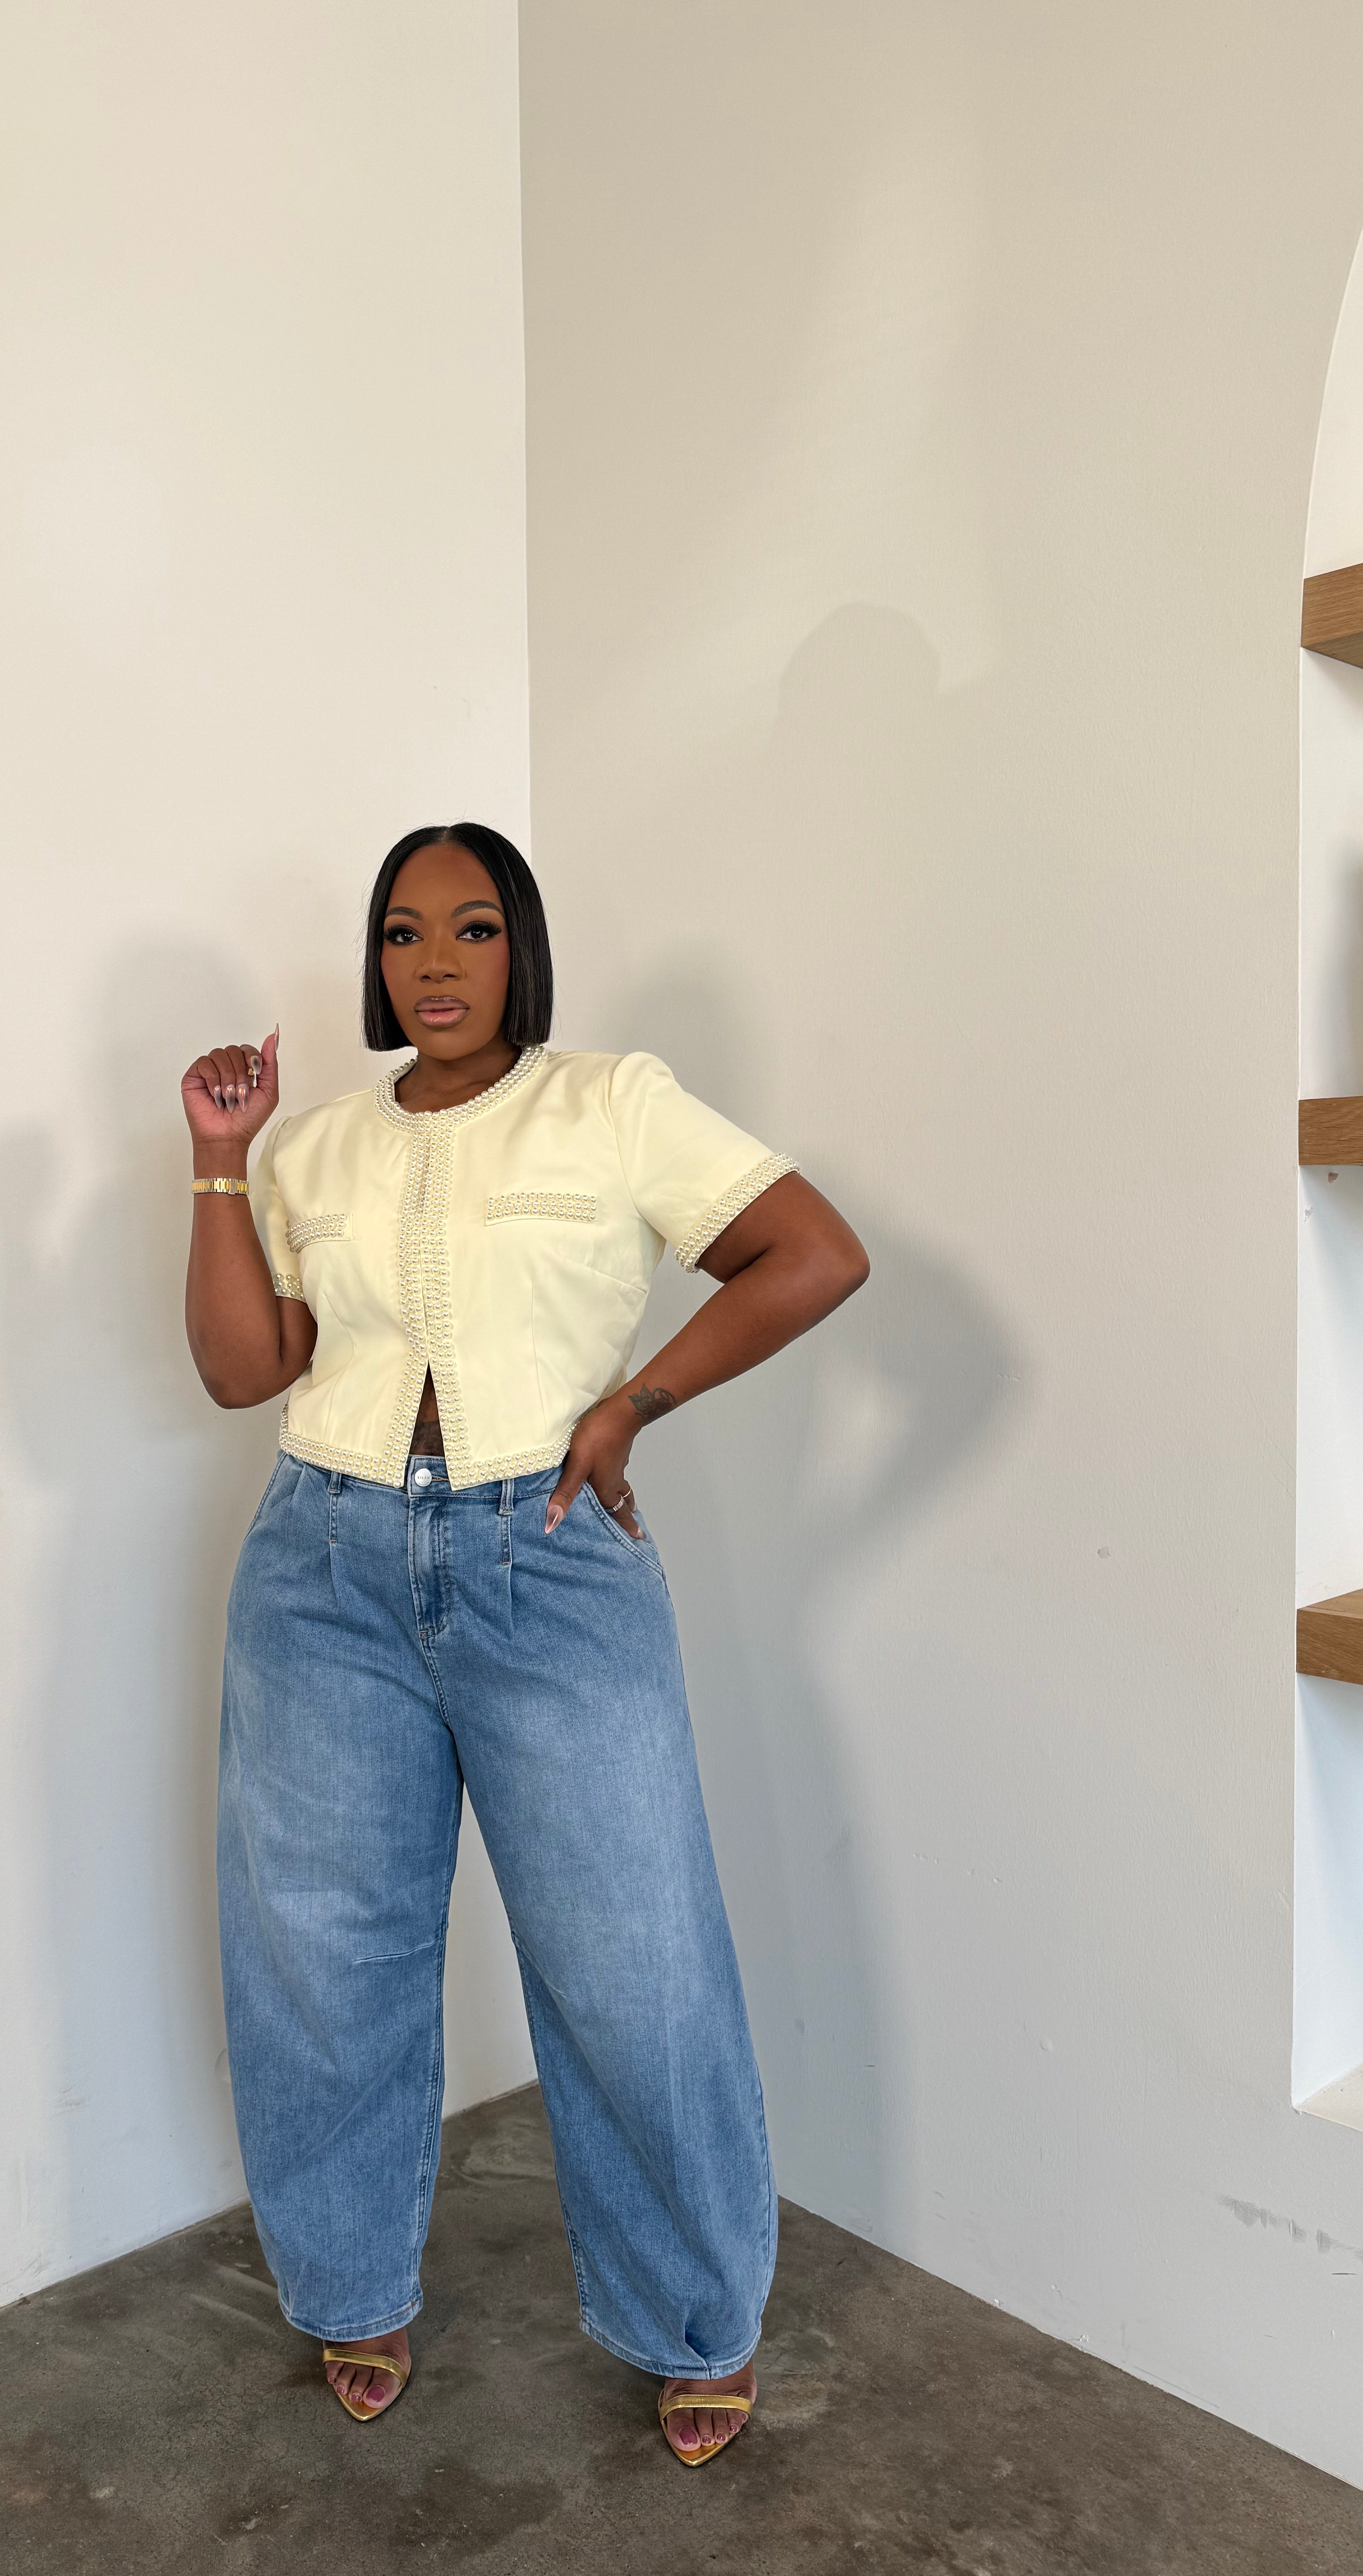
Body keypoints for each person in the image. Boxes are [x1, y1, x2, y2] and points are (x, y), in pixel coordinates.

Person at [182, 823, 867, 2465]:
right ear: (375, 961)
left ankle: (693, 2316)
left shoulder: (612, 1102)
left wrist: (632, 1404)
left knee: (633, 1957)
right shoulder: (313, 1149)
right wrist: (217, 1160)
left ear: (520, 950)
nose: (435, 962)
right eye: (403, 933)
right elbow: (242, 1370)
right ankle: (349, 2285)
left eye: (472, 928)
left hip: (546, 1559)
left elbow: (813, 1254)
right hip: (321, 1566)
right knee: (321, 1955)